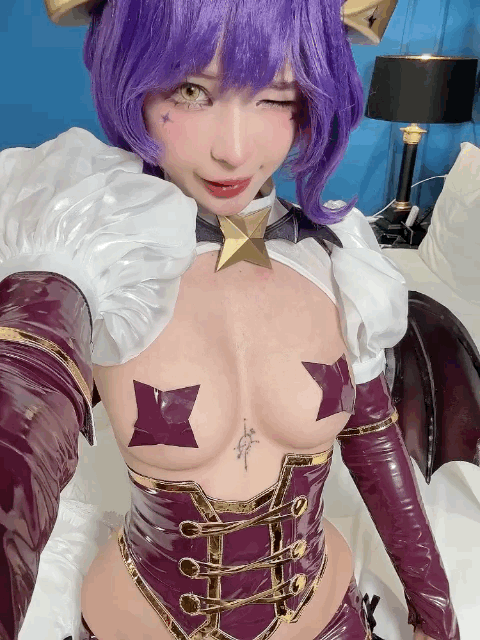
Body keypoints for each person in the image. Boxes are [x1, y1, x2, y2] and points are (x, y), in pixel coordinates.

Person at [0, 1, 458, 639]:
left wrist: (438, 617)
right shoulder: (90, 255)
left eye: (277, 97)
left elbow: (376, 449)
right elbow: (20, 419)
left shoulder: (340, 262)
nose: (234, 150)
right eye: (191, 91)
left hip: (328, 613)